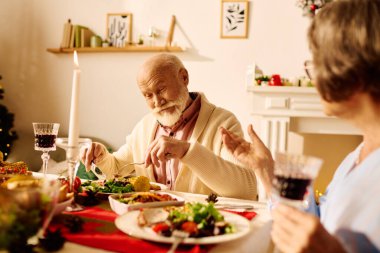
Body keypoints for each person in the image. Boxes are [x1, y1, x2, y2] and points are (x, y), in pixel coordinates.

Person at [221, 0, 380, 252]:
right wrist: (266, 169)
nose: (312, 76)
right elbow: (316, 225)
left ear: (352, 69)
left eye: (317, 63)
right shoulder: (354, 158)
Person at [81, 53, 259, 200]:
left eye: (161, 90)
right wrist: (102, 156)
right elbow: (117, 169)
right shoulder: (144, 127)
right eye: (148, 95)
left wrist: (186, 151)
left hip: (198, 232)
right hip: (150, 226)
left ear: (184, 77)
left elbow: (246, 190)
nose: (157, 102)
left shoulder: (223, 123)